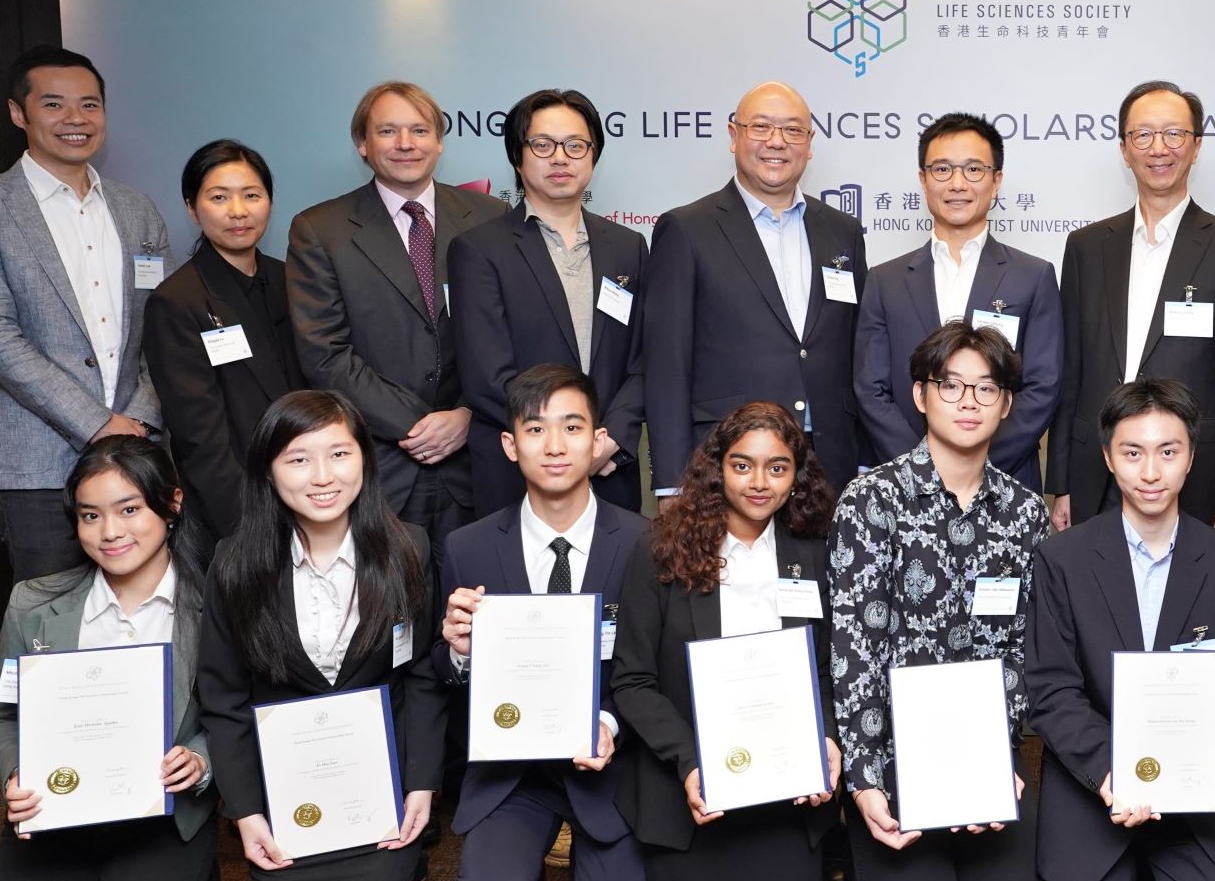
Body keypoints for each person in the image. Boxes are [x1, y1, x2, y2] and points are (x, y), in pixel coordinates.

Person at [195, 389, 443, 881]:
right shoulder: (236, 563)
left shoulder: (408, 549)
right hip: (291, 802)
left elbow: (420, 681)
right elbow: (224, 700)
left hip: (378, 798)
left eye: (339, 453)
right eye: (298, 459)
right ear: (269, 472)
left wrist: (420, 787)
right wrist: (247, 814)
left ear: (365, 459)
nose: (323, 476)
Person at [829, 322, 1053, 881]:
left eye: (987, 387)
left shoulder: (1025, 514)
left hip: (984, 757)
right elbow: (854, 649)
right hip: (898, 757)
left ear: (1008, 404)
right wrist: (865, 781)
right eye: (949, 384)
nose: (969, 400)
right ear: (921, 394)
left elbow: (1023, 650)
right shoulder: (871, 501)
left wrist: (998, 757)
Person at [0, 436, 217, 881]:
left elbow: (240, 714)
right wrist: (14, 774)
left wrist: (201, 760)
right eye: (90, 514)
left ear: (172, 504)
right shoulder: (33, 605)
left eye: (129, 508)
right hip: (58, 814)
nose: (110, 530)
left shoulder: (216, 607)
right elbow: (3, 717)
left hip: (163, 821)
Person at [1027, 378, 1215, 881]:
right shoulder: (1063, 558)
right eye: (1132, 453)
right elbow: (1051, 691)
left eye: (1168, 451)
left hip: (1190, 791)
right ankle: (1124, 870)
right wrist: (1112, 773)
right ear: (1108, 457)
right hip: (1094, 784)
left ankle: (1161, 867)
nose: (1150, 471)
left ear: (1190, 457)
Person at [435, 364, 652, 881]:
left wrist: (611, 723)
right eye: (536, 429)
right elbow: (446, 677)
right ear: (510, 445)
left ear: (599, 440)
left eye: (572, 427)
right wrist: (458, 652)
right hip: (516, 770)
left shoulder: (644, 542)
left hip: (606, 763)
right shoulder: (469, 547)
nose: (554, 446)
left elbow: (654, 670)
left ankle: (607, 869)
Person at [609, 403, 842, 881]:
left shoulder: (814, 554)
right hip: (695, 782)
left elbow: (833, 669)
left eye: (777, 468)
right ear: (717, 469)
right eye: (743, 465)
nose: (759, 483)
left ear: (797, 476)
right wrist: (690, 762)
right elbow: (633, 681)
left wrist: (827, 742)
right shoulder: (661, 549)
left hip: (784, 786)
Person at [0, 46, 171, 580]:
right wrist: (98, 425)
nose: (75, 120)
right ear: (19, 113)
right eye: (54, 105)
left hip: (138, 449)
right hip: (35, 462)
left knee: (142, 614)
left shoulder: (138, 210)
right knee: (51, 627)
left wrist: (139, 418)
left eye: (89, 105)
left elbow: (162, 325)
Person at [286, 80, 505, 571]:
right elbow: (325, 352)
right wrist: (415, 425)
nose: (405, 143)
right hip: (380, 465)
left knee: (474, 615)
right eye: (388, 131)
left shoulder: (490, 219)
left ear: (440, 141)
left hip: (474, 461)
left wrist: (468, 413)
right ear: (363, 145)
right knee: (390, 627)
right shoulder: (320, 229)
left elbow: (510, 338)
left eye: (419, 130)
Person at [1049, 81, 1215, 539]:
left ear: (1196, 145)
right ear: (1125, 150)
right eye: (1142, 135)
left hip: (1191, 475)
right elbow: (1072, 374)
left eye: (1173, 134)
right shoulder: (1086, 247)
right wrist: (1061, 483)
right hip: (1095, 471)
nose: (1158, 148)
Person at [645, 82, 869, 501]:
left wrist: (864, 461)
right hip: (726, 461)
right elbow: (666, 365)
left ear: (810, 143)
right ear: (734, 136)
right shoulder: (688, 229)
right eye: (761, 127)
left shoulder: (842, 232)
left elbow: (859, 352)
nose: (777, 142)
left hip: (829, 464)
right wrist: (672, 481)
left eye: (792, 130)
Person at [450, 88, 647, 519]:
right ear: (517, 158)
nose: (561, 158)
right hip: (518, 472)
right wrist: (563, 443)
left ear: (593, 156)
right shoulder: (479, 250)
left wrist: (608, 438)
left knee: (619, 585)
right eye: (542, 145)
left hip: (609, 466)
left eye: (576, 146)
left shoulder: (628, 247)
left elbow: (643, 359)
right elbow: (487, 377)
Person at [855, 112, 1062, 492]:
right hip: (905, 485)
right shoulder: (885, 280)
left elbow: (1042, 387)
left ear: (996, 180)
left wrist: (974, 463)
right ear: (922, 179)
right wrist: (922, 467)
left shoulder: (1033, 277)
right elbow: (871, 388)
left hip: (1005, 480)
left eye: (973, 170)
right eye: (942, 169)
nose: (957, 184)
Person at [141, 139, 308, 553]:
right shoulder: (177, 300)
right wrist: (248, 529)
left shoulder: (293, 280)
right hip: (238, 513)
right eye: (219, 197)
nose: (238, 211)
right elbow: (201, 440)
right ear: (192, 208)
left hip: (311, 493)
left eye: (252, 195)